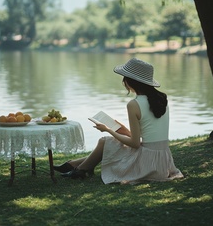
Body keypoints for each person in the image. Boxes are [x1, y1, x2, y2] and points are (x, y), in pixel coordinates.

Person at [54, 58, 184, 184]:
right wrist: (122, 129)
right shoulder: (162, 99)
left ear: (131, 81)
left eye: (125, 79)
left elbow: (135, 144)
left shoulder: (134, 104)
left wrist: (109, 130)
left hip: (148, 164)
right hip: (163, 161)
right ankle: (77, 166)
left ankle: (80, 168)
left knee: (105, 141)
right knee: (110, 142)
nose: (123, 82)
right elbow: (147, 137)